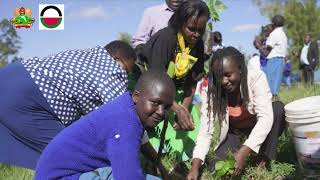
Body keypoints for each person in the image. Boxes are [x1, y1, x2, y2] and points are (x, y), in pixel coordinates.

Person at [0, 40, 140, 169]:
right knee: (71, 155)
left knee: (60, 157)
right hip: (28, 95)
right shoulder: (109, 68)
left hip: (10, 76)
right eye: (126, 70)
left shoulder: (88, 57)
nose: (125, 76)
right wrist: (152, 156)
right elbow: (126, 115)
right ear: (116, 60)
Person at [35, 70, 176, 180]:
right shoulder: (126, 122)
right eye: (155, 103)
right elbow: (127, 177)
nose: (161, 112)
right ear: (136, 96)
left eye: (167, 107)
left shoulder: (126, 109)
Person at [187, 47, 286, 179]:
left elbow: (265, 119)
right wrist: (195, 167)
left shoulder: (255, 77)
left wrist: (243, 152)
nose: (223, 81)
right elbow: (206, 132)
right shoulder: (212, 90)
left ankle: (262, 162)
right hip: (235, 132)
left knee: (277, 109)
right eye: (218, 76)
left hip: (257, 126)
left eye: (228, 75)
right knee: (217, 170)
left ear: (240, 69)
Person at [138, 0, 210, 162]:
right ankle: (152, 156)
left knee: (191, 120)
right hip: (149, 85)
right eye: (192, 29)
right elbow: (155, 80)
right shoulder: (167, 38)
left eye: (201, 30)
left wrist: (183, 108)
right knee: (152, 117)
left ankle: (180, 158)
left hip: (171, 88)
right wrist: (175, 108)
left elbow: (192, 81)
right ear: (180, 22)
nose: (197, 34)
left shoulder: (197, 45)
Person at [256, 15, 288, 98]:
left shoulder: (274, 34)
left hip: (273, 60)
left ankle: (270, 103)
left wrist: (258, 46)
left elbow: (266, 53)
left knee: (269, 85)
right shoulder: (282, 33)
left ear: (273, 23)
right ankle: (274, 101)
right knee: (275, 86)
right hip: (280, 60)